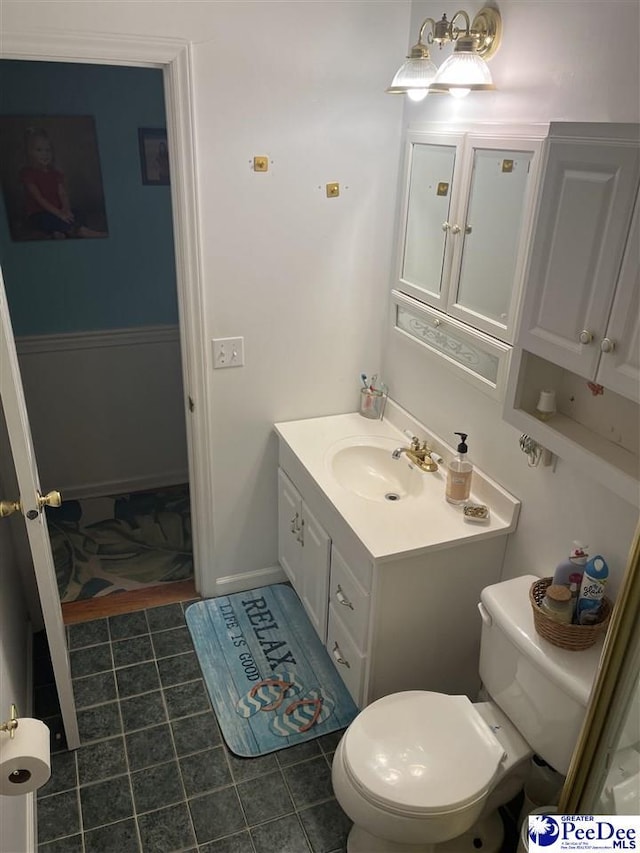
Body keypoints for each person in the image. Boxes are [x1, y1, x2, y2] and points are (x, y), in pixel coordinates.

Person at [19, 127, 106, 239]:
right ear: (30, 152)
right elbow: (40, 199)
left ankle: (61, 231)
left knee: (77, 213)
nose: (44, 154)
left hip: (59, 211)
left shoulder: (55, 174)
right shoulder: (28, 174)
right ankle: (80, 231)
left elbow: (62, 194)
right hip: (40, 212)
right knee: (46, 219)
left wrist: (66, 209)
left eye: (48, 150)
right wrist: (58, 213)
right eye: (39, 150)